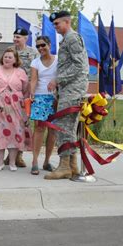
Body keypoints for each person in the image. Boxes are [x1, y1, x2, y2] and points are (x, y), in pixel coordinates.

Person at [45, 11, 89, 180]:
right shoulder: (67, 40)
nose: (55, 27)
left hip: (72, 90)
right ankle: (72, 165)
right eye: (54, 24)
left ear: (67, 22)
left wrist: (58, 80)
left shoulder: (72, 38)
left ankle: (64, 166)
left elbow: (79, 66)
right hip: (68, 89)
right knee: (68, 127)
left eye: (57, 23)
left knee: (64, 127)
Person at [0, 47, 30, 171]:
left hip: (16, 108)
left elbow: (26, 91)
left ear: (15, 60)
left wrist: (25, 107)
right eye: (5, 56)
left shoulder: (21, 72)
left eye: (10, 57)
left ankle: (12, 162)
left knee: (15, 132)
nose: (7, 59)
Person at [4, 28, 39, 168]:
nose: (15, 39)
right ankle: (9, 154)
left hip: (25, 94)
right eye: (14, 37)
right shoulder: (9, 51)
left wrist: (32, 93)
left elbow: (36, 73)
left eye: (18, 37)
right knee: (9, 124)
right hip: (10, 93)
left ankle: (19, 155)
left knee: (23, 125)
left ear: (26, 38)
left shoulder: (33, 53)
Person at [29, 36, 57, 175]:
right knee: (39, 129)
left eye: (43, 45)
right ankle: (35, 161)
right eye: (38, 46)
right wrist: (32, 93)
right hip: (40, 97)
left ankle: (47, 161)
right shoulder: (35, 62)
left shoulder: (58, 60)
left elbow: (62, 75)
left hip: (55, 98)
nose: (41, 48)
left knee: (52, 131)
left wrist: (55, 81)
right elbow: (33, 80)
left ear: (49, 44)